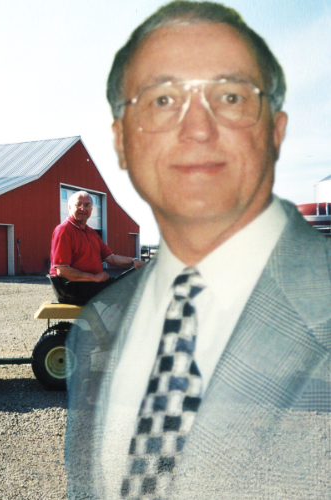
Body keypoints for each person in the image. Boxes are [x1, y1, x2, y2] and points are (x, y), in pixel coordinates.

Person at [65, 2, 331, 499]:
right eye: (162, 101)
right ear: (122, 142)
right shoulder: (89, 341)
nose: (196, 130)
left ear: (275, 132)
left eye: (230, 98)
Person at [50, 190, 145, 304]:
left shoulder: (91, 233)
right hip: (72, 287)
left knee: (131, 282)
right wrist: (93, 277)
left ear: (91, 209)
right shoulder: (64, 230)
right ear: (70, 207)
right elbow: (62, 270)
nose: (83, 209)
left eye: (87, 205)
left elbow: (111, 258)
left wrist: (134, 261)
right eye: (78, 204)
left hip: (89, 284)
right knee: (127, 290)